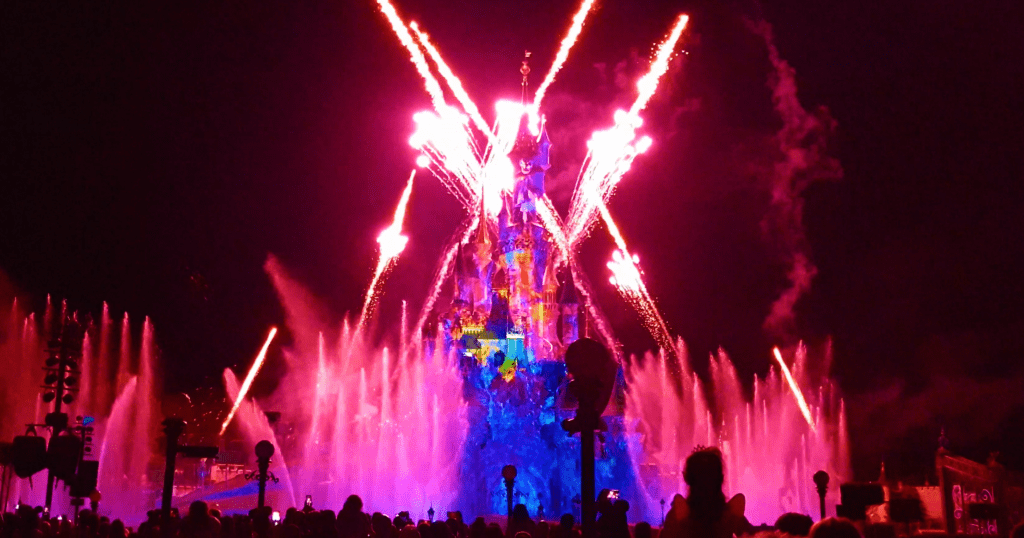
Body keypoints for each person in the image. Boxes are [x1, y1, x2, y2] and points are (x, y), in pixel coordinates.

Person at [661, 447, 750, 538]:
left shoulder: (676, 517)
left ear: (686, 478)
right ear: (721, 478)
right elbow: (752, 533)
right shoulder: (730, 516)